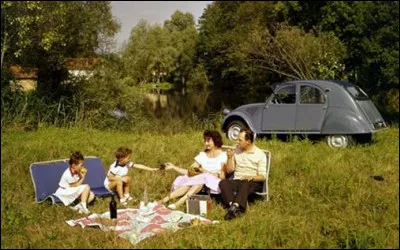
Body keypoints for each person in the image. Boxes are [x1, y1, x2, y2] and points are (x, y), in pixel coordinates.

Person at [159, 130, 227, 210]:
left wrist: (204, 171)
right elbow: (189, 172)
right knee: (197, 180)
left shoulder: (223, 156)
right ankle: (165, 199)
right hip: (200, 181)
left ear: (215, 140)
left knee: (202, 178)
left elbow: (222, 176)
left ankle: (179, 202)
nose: (205, 143)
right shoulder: (202, 155)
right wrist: (174, 167)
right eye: (205, 140)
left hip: (214, 181)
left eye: (208, 140)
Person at [219, 128, 267, 220]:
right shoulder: (237, 150)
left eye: (240, 140)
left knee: (245, 183)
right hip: (238, 180)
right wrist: (229, 157)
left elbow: (262, 176)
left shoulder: (260, 154)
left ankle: (237, 207)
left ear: (248, 141)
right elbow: (229, 171)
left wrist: (251, 177)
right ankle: (232, 207)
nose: (237, 142)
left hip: (253, 182)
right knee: (223, 183)